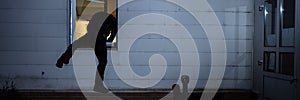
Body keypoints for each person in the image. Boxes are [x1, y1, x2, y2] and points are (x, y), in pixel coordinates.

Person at [56, 11, 117, 93]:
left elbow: (89, 26)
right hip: (100, 39)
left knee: (75, 44)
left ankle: (62, 60)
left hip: (91, 35)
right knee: (103, 62)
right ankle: (98, 85)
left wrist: (93, 34)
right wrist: (107, 39)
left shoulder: (97, 14)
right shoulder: (113, 19)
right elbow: (113, 33)